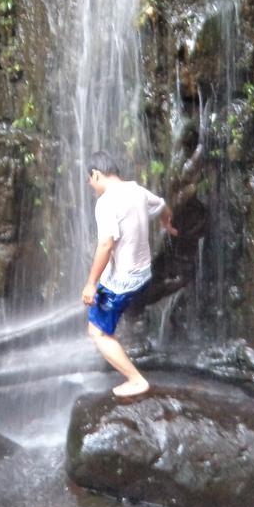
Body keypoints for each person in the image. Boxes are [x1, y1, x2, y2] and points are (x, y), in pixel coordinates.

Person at [81, 150, 177, 397]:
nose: (91, 186)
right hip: (143, 275)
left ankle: (136, 380)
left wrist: (91, 283)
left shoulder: (106, 202)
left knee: (97, 332)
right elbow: (163, 205)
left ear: (97, 174)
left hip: (121, 281)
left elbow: (106, 244)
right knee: (109, 317)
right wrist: (167, 223)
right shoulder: (137, 191)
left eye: (90, 180)